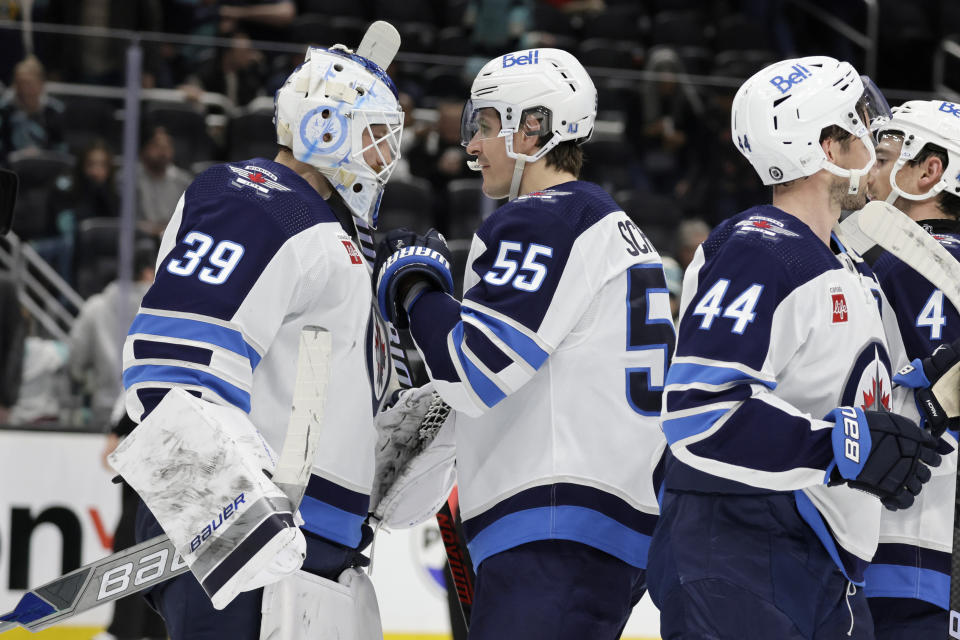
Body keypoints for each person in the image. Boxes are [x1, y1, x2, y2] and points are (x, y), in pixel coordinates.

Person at [109, 25, 405, 640]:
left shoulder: (329, 234)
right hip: (253, 542)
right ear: (327, 128)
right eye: (375, 137)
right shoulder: (261, 200)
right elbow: (172, 362)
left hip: (314, 555)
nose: (385, 160)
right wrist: (227, 515)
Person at [375, 48, 674, 639]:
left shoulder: (543, 219)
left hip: (553, 530)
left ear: (533, 127)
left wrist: (416, 289)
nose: (473, 145)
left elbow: (474, 370)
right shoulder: (616, 226)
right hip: (602, 528)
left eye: (485, 126)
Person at [648, 56, 941, 639]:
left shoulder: (847, 263)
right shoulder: (764, 247)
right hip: (741, 545)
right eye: (858, 122)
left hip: (816, 560)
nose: (871, 135)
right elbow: (700, 407)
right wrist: (835, 445)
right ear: (827, 146)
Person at [861, 99, 960, 638]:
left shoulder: (904, 267)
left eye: (883, 157)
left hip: (910, 547)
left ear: (930, 170)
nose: (870, 173)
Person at [68, 243, 156, 426]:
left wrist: (92, 384)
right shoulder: (165, 311)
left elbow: (75, 363)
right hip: (151, 413)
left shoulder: (95, 307)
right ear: (148, 272)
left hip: (104, 412)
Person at [0, 55, 66, 162]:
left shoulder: (54, 110)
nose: (24, 90)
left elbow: (60, 147)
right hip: (12, 166)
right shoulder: (5, 110)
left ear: (41, 84)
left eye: (29, 84)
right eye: (20, 84)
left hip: (46, 165)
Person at [136, 124, 192, 237]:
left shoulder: (184, 181)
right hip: (142, 241)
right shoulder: (129, 180)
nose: (163, 151)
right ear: (144, 148)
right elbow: (131, 223)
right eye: (157, 145)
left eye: (167, 146)